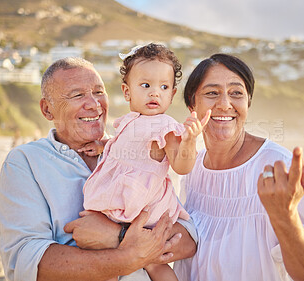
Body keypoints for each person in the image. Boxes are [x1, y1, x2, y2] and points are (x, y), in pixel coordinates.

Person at [0, 57, 197, 281]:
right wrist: (127, 256)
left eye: (99, 92)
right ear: (47, 110)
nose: (94, 104)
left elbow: (188, 241)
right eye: (77, 95)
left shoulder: (141, 151)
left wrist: (118, 238)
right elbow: (26, 262)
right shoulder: (26, 162)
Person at [173, 54, 304, 280]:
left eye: (236, 93)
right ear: (192, 104)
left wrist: (286, 217)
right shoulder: (190, 171)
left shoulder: (282, 172)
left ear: (248, 103)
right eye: (212, 93)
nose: (225, 104)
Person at [80, 43, 209, 281]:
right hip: (126, 196)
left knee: (152, 263)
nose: (154, 93)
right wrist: (103, 145)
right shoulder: (130, 120)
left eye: (163, 87)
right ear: (127, 91)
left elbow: (181, 166)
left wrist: (189, 142)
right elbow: (125, 147)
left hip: (143, 204)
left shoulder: (167, 127)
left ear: (172, 93)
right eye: (146, 85)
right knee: (113, 259)